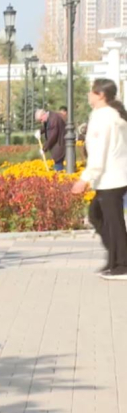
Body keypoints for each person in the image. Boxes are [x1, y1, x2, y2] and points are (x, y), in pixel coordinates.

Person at [70, 78, 127, 280]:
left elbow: (99, 152)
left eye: (91, 92)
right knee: (98, 216)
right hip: (113, 177)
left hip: (110, 177)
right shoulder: (109, 115)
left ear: (100, 95)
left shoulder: (104, 118)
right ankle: (115, 259)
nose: (88, 95)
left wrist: (85, 179)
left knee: (112, 221)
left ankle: (122, 265)